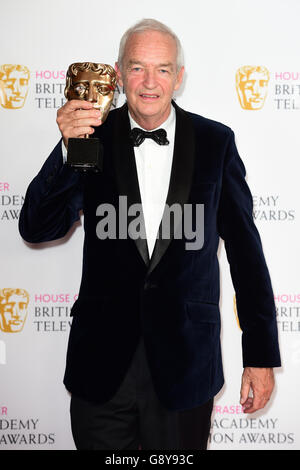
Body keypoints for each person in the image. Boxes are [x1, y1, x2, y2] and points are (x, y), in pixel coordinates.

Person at [19, 18, 281, 450]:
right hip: (101, 366)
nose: (149, 82)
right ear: (119, 75)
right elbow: (37, 227)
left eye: (162, 69)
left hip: (185, 366)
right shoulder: (91, 138)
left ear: (179, 76)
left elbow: (247, 257)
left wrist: (260, 355)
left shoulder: (216, 142)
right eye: (138, 68)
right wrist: (68, 147)